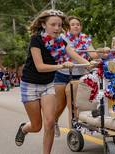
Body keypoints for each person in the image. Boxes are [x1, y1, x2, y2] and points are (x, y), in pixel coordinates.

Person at [14, 9, 92, 154]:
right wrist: (61, 66)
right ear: (44, 25)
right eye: (53, 24)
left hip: (48, 85)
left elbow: (75, 55)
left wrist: (90, 64)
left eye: (59, 25)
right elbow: (40, 66)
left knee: (49, 123)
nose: (57, 28)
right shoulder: (36, 40)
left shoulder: (61, 42)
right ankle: (24, 128)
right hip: (30, 85)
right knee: (36, 126)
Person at [54, 16, 98, 137]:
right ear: (68, 27)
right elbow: (72, 55)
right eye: (73, 24)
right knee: (60, 104)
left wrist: (102, 53)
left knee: (73, 104)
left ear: (81, 26)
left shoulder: (85, 38)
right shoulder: (62, 38)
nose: (76, 26)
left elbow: (93, 53)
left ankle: (73, 132)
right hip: (62, 74)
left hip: (79, 75)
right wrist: (86, 62)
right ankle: (54, 121)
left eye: (78, 24)